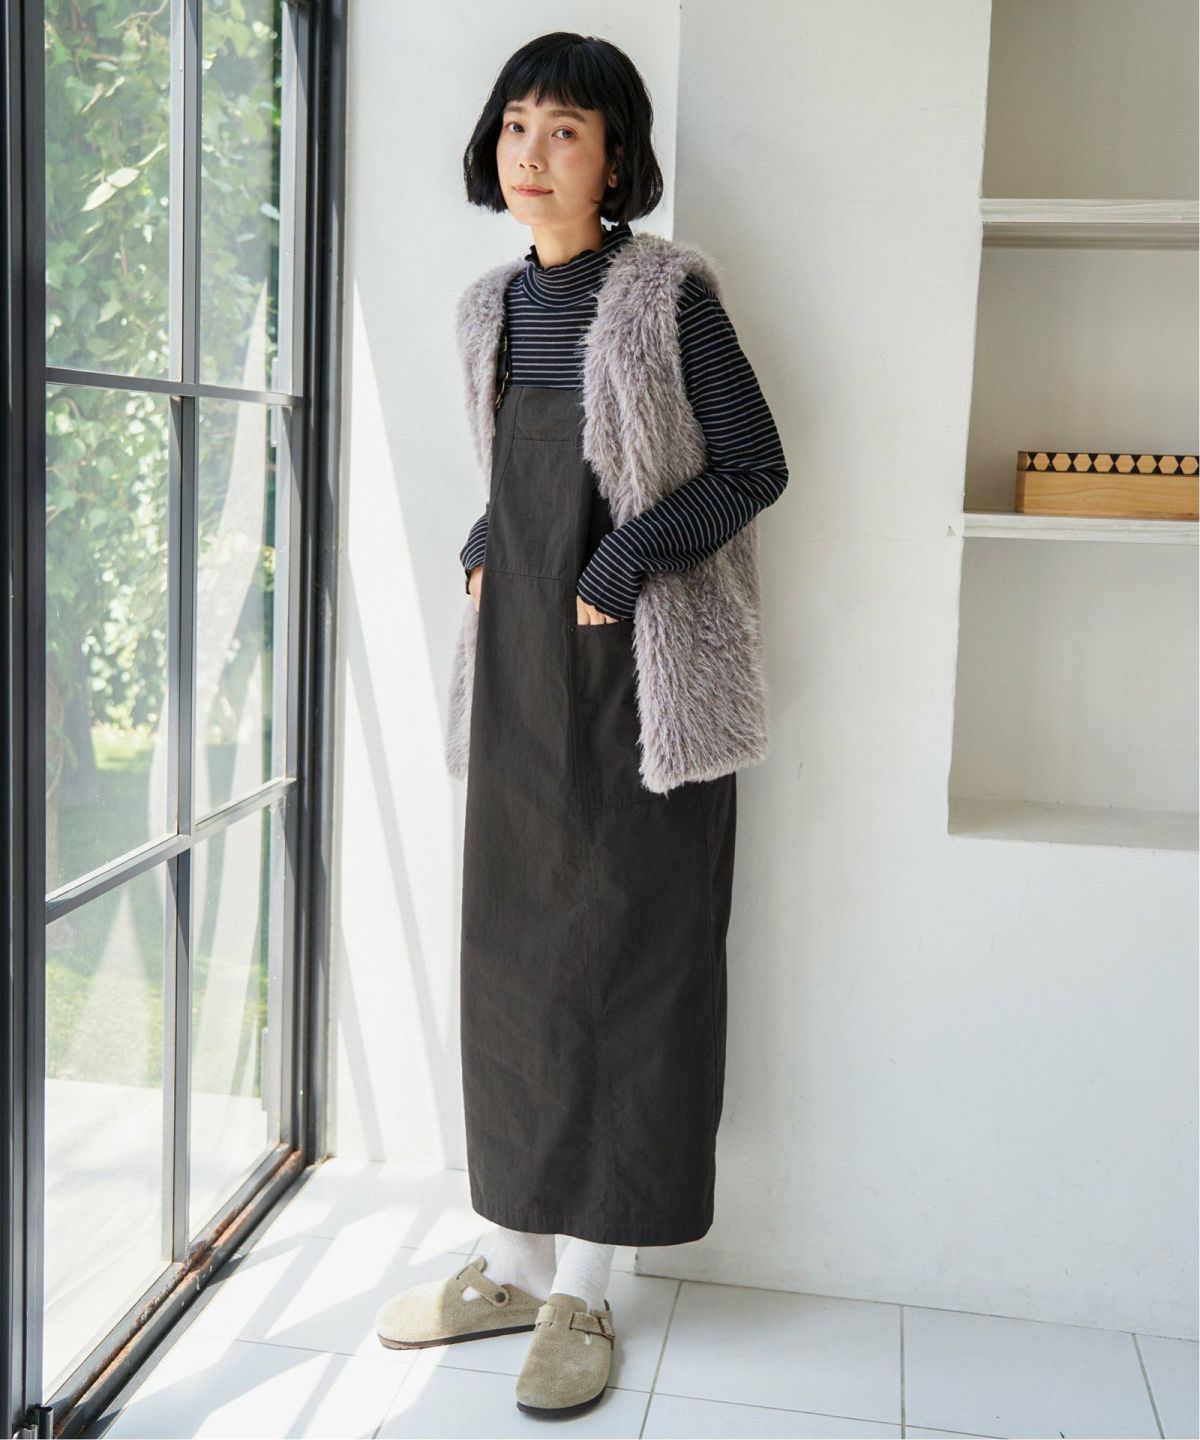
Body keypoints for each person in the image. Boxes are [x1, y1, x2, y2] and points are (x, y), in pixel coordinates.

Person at [375, 31, 788, 1420]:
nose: (533, 154)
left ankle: (589, 1287)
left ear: (617, 160)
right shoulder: (490, 307)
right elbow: (519, 474)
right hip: (518, 676)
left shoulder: (668, 297)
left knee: (627, 961)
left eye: (565, 131)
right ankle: (510, 1259)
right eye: (516, 127)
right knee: (510, 953)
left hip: (639, 688)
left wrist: (622, 562)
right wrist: (487, 543)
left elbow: (752, 465)